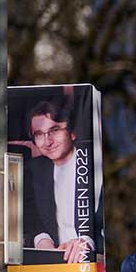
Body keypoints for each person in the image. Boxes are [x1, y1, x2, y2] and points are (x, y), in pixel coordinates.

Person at [22, 98, 97, 262]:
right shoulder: (34, 170)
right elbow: (33, 219)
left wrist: (87, 242)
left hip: (95, 261)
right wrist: (44, 243)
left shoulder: (94, 165)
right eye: (39, 134)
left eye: (54, 130)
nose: (47, 142)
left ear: (72, 132)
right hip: (57, 262)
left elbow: (108, 218)